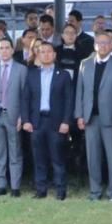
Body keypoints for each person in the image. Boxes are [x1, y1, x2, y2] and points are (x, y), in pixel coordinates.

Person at [22, 41, 75, 200]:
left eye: (49, 51)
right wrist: (26, 120)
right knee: (39, 158)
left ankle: (60, 190)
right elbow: (26, 99)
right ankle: (41, 189)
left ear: (54, 54)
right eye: (42, 51)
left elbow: (69, 100)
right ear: (38, 55)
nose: (45, 54)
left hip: (56, 122)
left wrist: (66, 121)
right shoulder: (31, 74)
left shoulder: (64, 75)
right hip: (37, 122)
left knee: (57, 158)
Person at [76, 31, 112, 201]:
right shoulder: (85, 64)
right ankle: (95, 191)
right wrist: (79, 115)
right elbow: (80, 91)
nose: (102, 46)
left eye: (106, 43)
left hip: (111, 118)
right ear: (94, 44)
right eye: (99, 43)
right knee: (93, 157)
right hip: (90, 118)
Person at [0, 37, 27, 198]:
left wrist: (22, 116)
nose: (4, 50)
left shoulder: (21, 69)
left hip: (13, 115)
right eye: (1, 48)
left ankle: (15, 187)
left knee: (15, 152)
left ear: (12, 50)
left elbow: (24, 95)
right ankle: (1, 185)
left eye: (7, 47)